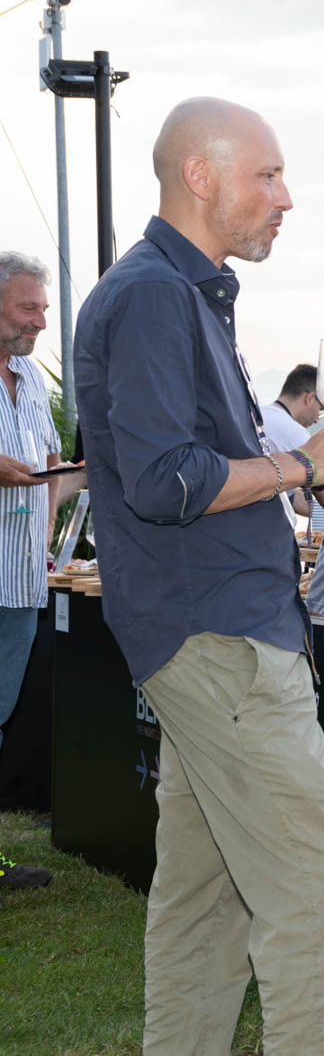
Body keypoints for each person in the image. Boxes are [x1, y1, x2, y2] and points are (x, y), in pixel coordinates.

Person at [73, 97, 324, 1053]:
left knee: (206, 905)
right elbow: (166, 480)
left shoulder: (176, 291)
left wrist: (295, 476)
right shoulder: (155, 295)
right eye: (268, 175)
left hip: (209, 632)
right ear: (200, 177)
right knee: (318, 891)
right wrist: (303, 465)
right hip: (219, 640)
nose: (286, 197)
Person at [0, 250, 60, 897]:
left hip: (19, 580)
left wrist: (46, 538)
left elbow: (48, 462)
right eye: (27, 307)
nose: (40, 321)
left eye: (42, 308)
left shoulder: (32, 378)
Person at [262, 363, 324, 514]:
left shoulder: (261, 414)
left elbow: (288, 497)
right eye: (320, 410)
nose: (316, 420)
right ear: (310, 398)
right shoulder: (293, 432)